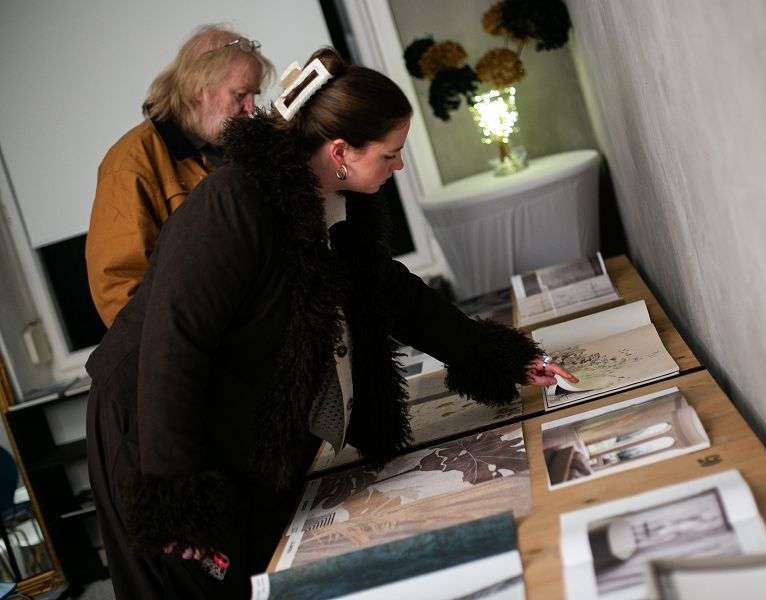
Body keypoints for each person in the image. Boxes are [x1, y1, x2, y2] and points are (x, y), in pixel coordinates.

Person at [85, 47, 576, 599]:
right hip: (151, 428)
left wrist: (502, 358)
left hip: (223, 415)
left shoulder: (330, 198)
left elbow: (393, 294)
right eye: (390, 155)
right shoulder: (234, 203)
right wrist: (175, 495)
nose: (398, 167)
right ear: (340, 152)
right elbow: (175, 345)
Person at [85, 24, 275, 327]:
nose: (251, 108)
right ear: (198, 89)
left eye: (254, 95)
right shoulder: (130, 164)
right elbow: (119, 290)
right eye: (240, 95)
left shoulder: (235, 147)